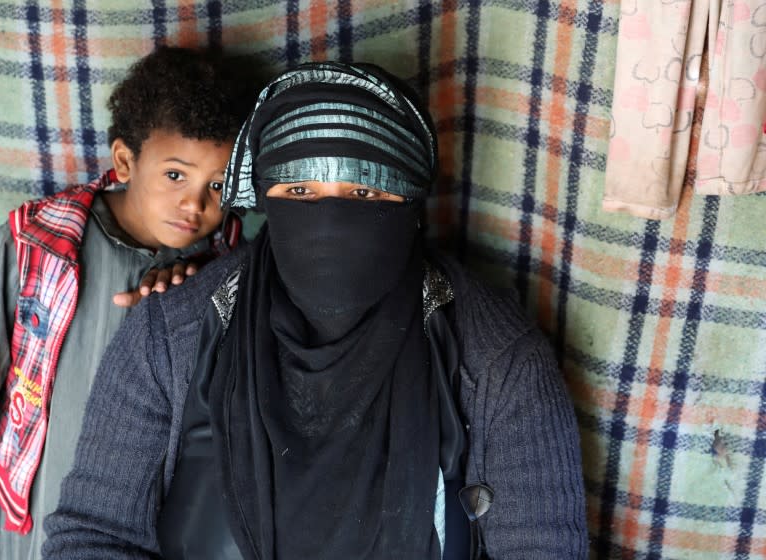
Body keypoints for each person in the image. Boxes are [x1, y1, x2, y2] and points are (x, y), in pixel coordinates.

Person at [43, 62, 588, 559]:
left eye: (367, 195)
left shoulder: (498, 360)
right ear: (266, 202)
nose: (330, 221)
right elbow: (95, 535)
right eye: (300, 189)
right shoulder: (170, 337)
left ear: (412, 204)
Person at [0, 46, 246, 560]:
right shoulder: (34, 245)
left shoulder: (222, 268)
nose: (195, 204)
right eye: (176, 175)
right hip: (29, 519)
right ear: (125, 160)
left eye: (219, 185)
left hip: (140, 527)